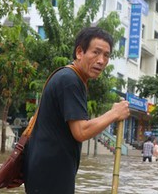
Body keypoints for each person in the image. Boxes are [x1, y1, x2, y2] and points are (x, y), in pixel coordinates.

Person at [23, 27, 130, 194]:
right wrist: (114, 114)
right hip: (50, 174)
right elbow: (80, 131)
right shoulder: (70, 80)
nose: (101, 60)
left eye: (106, 55)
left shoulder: (70, 78)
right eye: (96, 52)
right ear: (80, 52)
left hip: (47, 171)